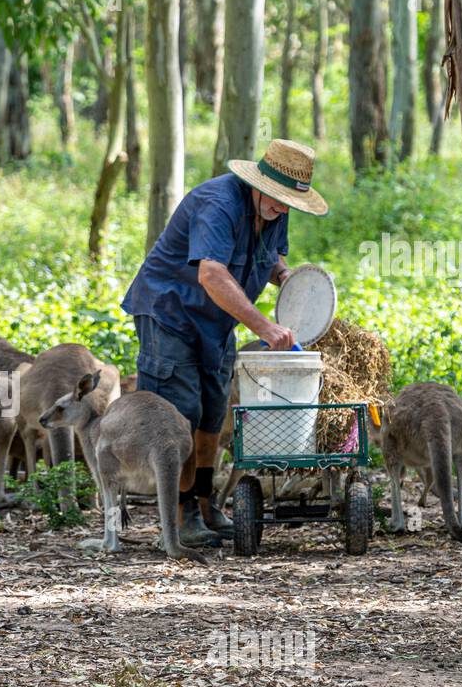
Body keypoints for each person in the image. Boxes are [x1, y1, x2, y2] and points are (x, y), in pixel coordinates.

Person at [121, 139, 329, 546]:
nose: (283, 208)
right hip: (170, 312)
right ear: (259, 183)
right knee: (178, 416)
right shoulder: (219, 204)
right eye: (279, 198)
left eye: (291, 202)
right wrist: (265, 328)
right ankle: (178, 516)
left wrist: (286, 278)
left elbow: (269, 256)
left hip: (215, 322)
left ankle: (203, 503)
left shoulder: (274, 210)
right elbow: (212, 275)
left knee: (213, 413)